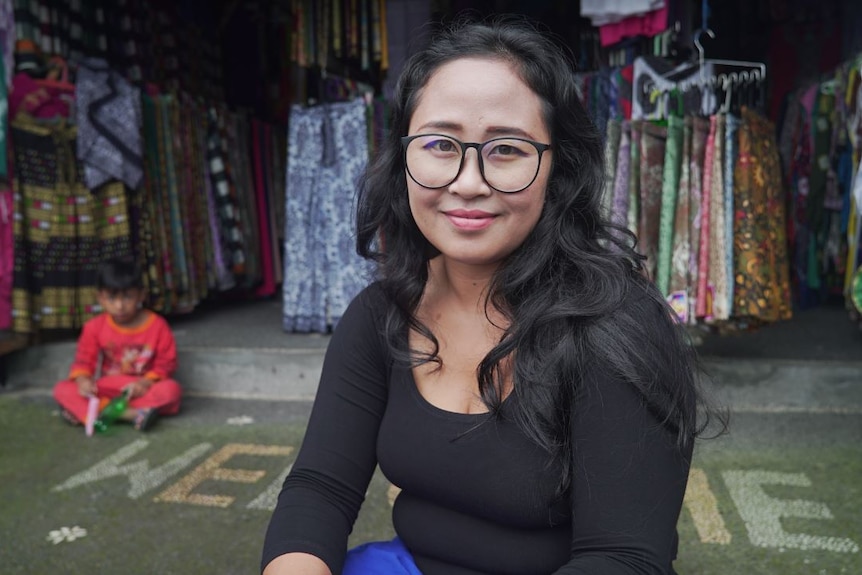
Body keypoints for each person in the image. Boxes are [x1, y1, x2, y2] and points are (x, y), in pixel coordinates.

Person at [262, 16, 723, 575]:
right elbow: (321, 487)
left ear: (558, 168)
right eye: (439, 143)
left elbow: (623, 557)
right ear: (404, 157)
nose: (468, 181)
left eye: (506, 149)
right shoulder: (380, 315)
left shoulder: (616, 328)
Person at [53, 256, 182, 432]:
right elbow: (84, 361)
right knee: (63, 389)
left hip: (140, 388)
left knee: (171, 390)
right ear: (100, 298)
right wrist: (84, 381)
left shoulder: (157, 326)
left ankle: (88, 412)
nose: (120, 306)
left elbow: (166, 364)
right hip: (108, 387)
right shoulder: (94, 327)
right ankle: (131, 415)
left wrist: (144, 383)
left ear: (141, 295)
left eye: (128, 297)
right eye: (112, 298)